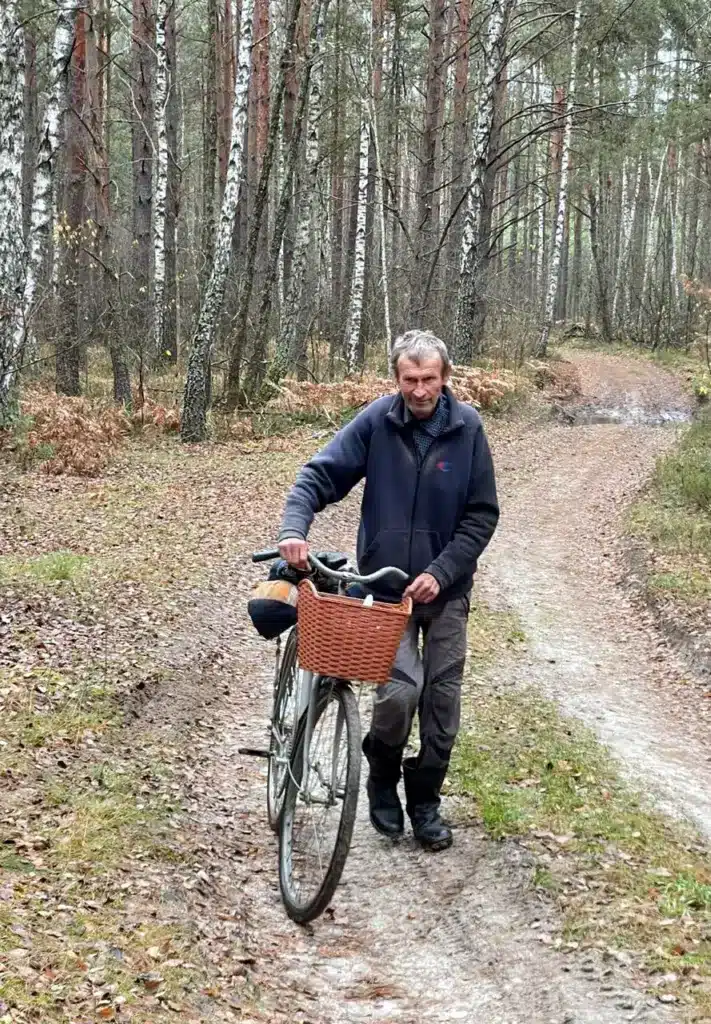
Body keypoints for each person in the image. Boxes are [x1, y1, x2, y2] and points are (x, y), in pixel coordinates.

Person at [278, 330, 499, 851]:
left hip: (446, 594)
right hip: (386, 592)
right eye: (409, 380)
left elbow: (481, 515)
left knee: (441, 704)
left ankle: (425, 800)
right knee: (400, 693)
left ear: (445, 378)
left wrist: (442, 572)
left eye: (428, 379)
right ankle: (381, 775)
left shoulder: (468, 429)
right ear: (396, 378)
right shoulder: (377, 421)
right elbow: (319, 475)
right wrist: (293, 529)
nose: (419, 391)